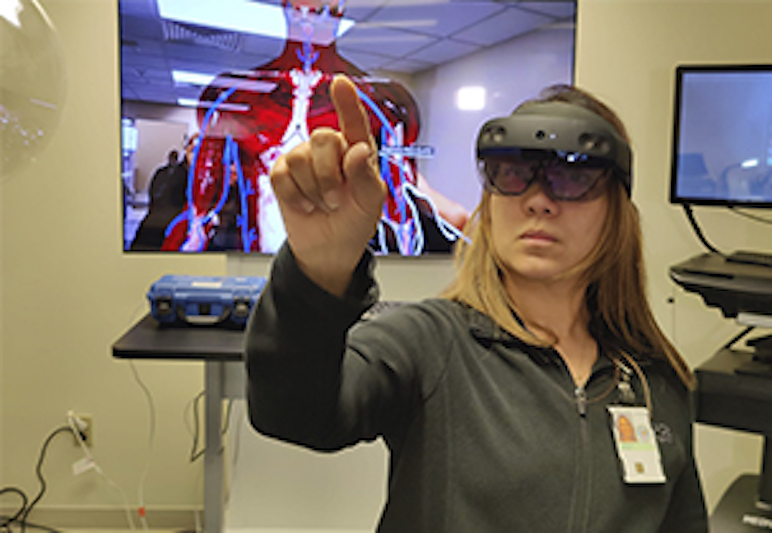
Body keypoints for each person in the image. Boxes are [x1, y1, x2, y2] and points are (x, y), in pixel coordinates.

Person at [244, 75, 708, 532]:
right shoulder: (432, 343)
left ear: (616, 208)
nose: (539, 201)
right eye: (514, 173)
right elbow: (293, 411)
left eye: (572, 176)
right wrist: (318, 272)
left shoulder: (658, 380)